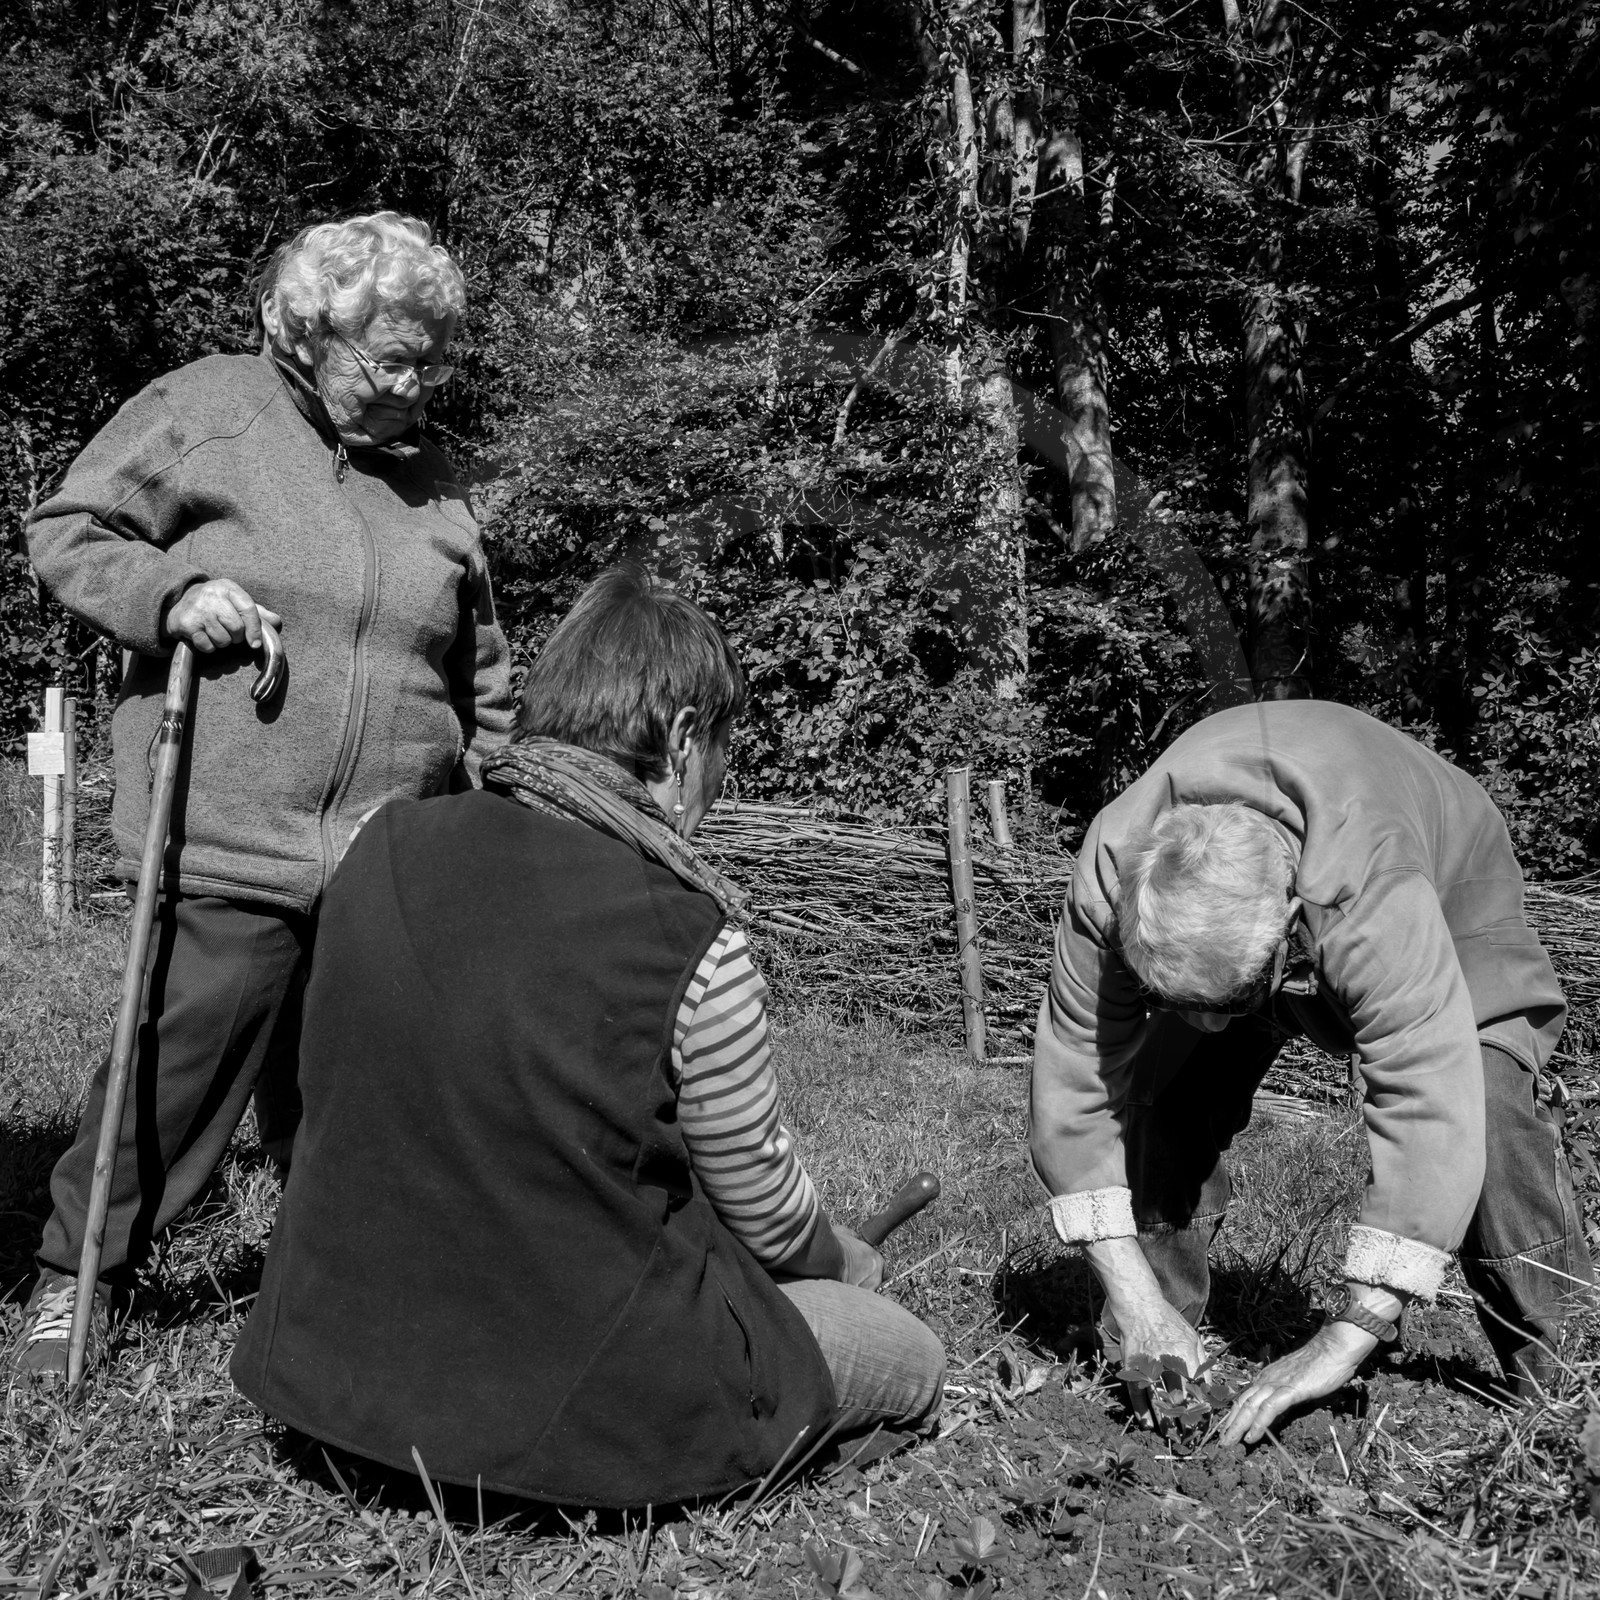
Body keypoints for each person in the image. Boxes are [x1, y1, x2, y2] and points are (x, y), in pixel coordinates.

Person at [231, 567, 945, 1507]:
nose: (720, 784)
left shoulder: (379, 845)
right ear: (685, 739)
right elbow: (764, 1217)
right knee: (912, 1358)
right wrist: (849, 1262)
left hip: (327, 1372)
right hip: (564, 1417)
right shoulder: (694, 941)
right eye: (724, 748)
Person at [15, 212, 513, 1381]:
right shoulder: (210, 408)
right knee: (178, 1068)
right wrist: (172, 591)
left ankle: (340, 1274)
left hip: (392, 844)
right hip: (231, 828)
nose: (416, 383)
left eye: (434, 359)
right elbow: (67, 531)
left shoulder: (431, 480)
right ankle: (77, 1276)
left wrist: (502, 783)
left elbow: (478, 660)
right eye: (394, 357)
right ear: (310, 328)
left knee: (360, 1077)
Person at [1031, 700, 1593, 1443]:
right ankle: (1154, 1351)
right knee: (1160, 1087)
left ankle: (1568, 1388)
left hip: (1449, 877)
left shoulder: (1365, 887)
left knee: (1489, 1108)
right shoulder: (1115, 873)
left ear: (1290, 924)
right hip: (1242, 912)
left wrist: (1348, 1333)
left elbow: (1429, 1100)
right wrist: (1132, 1297)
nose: (1205, 1024)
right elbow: (1077, 1080)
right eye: (1178, 1000)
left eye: (1226, 1003)